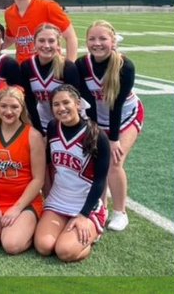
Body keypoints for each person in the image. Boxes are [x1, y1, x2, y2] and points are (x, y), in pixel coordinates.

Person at [75, 20, 143, 232]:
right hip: (98, 117)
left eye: (103, 38)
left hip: (125, 116)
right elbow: (88, 102)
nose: (97, 43)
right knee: (96, 161)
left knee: (114, 161)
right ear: (86, 42)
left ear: (113, 41)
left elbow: (116, 105)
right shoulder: (81, 65)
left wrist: (112, 140)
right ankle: (100, 206)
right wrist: (94, 132)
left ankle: (120, 212)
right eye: (92, 39)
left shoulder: (125, 66)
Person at [33, 86, 112, 263]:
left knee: (65, 252)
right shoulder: (53, 127)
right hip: (58, 200)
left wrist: (84, 215)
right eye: (56, 104)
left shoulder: (97, 136)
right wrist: (46, 194)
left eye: (66, 102)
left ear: (78, 104)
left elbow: (100, 180)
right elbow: (48, 165)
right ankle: (68, 230)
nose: (61, 108)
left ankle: (93, 231)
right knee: (44, 247)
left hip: (85, 204)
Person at [0, 86, 45, 254]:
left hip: (24, 202)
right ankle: (6, 228)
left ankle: (26, 227)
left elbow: (38, 179)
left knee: (11, 245)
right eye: (4, 106)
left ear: (22, 108)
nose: (8, 111)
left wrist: (17, 208)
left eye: (14, 107)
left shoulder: (33, 136)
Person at [4, 0, 77, 64]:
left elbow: (70, 36)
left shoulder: (49, 6)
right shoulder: (9, 13)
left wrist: (70, 66)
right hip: (23, 70)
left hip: (49, 68)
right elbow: (10, 38)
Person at [20, 24, 78, 134]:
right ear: (34, 43)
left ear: (58, 44)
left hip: (66, 122)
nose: (46, 45)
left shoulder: (67, 67)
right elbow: (29, 102)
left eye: (51, 41)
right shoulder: (27, 66)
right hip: (40, 121)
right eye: (41, 41)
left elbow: (74, 105)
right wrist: (39, 132)